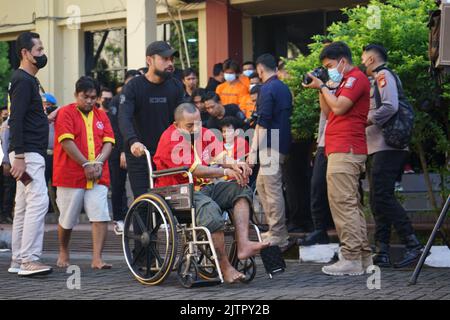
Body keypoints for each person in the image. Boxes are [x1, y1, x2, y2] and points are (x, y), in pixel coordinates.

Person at [153, 103, 269, 283]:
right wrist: (224, 172)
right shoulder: (170, 138)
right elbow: (195, 170)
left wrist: (234, 164)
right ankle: (225, 267)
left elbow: (220, 155)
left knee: (241, 188)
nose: (195, 129)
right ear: (177, 125)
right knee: (210, 210)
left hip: (204, 188)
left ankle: (244, 244)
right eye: (190, 126)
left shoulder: (204, 132)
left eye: (198, 124)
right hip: (179, 191)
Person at [303, 41, 372, 276]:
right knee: (350, 203)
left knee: (343, 204)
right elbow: (329, 111)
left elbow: (340, 108)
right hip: (340, 148)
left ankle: (351, 257)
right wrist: (322, 88)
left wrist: (323, 85)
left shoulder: (354, 78)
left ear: (343, 60)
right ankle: (362, 256)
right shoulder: (342, 81)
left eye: (330, 65)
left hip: (346, 148)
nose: (329, 69)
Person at [362, 44, 423, 268]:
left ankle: (413, 245)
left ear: (370, 59)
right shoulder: (378, 77)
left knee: (383, 196)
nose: (362, 63)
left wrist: (365, 121)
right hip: (379, 147)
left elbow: (390, 106)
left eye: (363, 58)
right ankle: (383, 251)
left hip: (387, 147)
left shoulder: (383, 75)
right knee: (378, 199)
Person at [53, 76, 115, 270]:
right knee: (67, 218)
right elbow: (66, 142)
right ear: (76, 94)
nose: (89, 101)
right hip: (70, 175)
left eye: (93, 97)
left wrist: (97, 162)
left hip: (98, 174)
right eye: (85, 96)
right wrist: (86, 164)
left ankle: (97, 258)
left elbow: (109, 142)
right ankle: (63, 250)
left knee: (100, 215)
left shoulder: (101, 115)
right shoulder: (65, 113)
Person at [7, 32, 52, 276]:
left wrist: (46, 118)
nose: (43, 54)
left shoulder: (24, 80)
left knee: (24, 205)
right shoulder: (24, 81)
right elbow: (15, 120)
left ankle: (18, 259)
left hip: (26, 153)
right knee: (38, 203)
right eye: (39, 50)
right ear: (25, 53)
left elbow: (23, 117)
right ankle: (29, 260)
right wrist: (21, 156)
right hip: (29, 154)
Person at [118, 41, 185, 199]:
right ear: (149, 60)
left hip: (168, 154)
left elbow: (183, 116)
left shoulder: (176, 86)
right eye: (164, 59)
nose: (170, 63)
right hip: (141, 154)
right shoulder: (133, 86)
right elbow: (124, 117)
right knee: (144, 201)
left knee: (172, 201)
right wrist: (132, 141)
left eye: (171, 59)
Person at [248, 53, 293, 251]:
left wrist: (252, 151)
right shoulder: (284, 87)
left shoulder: (267, 88)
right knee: (263, 185)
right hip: (281, 142)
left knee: (272, 189)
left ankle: (279, 234)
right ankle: (276, 230)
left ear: (260, 69)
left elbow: (262, 122)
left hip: (270, 145)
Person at [107, 70, 140, 235]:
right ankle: (118, 218)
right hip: (119, 149)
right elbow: (116, 128)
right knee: (118, 185)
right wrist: (122, 151)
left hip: (138, 147)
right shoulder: (116, 101)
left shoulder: (141, 99)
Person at [41, 93, 58, 215]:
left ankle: (59, 210)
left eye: (49, 105)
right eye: (45, 104)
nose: (47, 107)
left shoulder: (58, 118)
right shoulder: (38, 117)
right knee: (43, 182)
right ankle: (46, 209)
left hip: (56, 155)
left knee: (57, 183)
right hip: (43, 154)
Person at [0, 105, 15, 224]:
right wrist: (5, 162)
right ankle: (5, 214)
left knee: (12, 188)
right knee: (8, 188)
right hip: (9, 162)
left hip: (15, 161)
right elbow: (4, 144)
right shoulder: (7, 124)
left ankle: (8, 213)